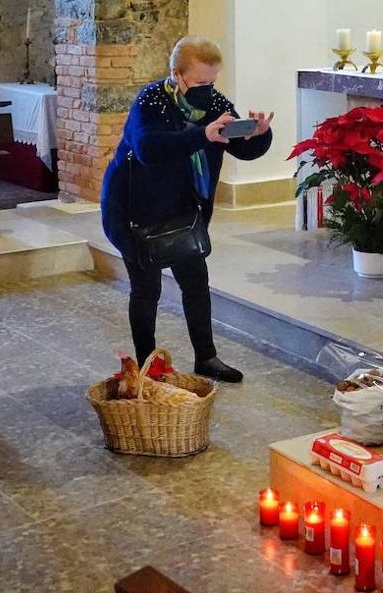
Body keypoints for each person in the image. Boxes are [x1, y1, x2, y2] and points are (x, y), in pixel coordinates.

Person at [100, 37, 274, 383]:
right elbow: (148, 148)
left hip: (183, 209)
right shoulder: (151, 100)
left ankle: (206, 357)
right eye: (199, 82)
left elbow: (240, 149)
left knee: (195, 283)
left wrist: (258, 135)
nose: (207, 90)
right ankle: (147, 366)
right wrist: (201, 136)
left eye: (212, 81)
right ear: (176, 74)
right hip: (134, 210)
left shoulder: (214, 102)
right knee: (147, 289)